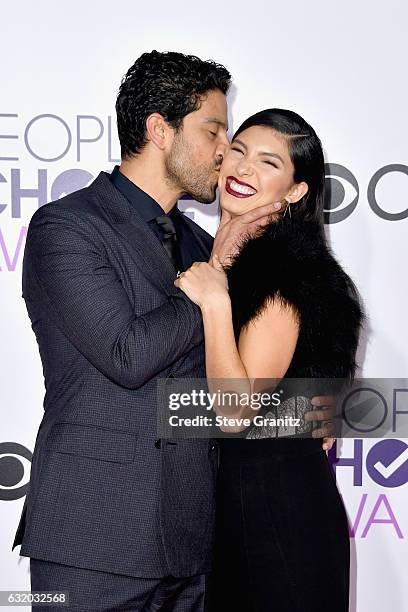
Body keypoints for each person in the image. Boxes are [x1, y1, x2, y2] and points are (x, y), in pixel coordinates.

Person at [13, 50, 335, 611]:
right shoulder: (68, 226)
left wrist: (314, 407)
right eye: (215, 132)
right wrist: (219, 277)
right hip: (92, 534)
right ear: (159, 130)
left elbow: (230, 381)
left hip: (194, 540)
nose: (224, 153)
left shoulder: (201, 244)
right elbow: (127, 353)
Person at [175, 108, 364, 612]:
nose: (243, 169)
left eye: (267, 162)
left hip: (275, 516)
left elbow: (236, 410)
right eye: (237, 151)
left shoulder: (283, 269)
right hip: (244, 508)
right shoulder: (245, 257)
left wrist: (215, 300)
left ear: (296, 190)